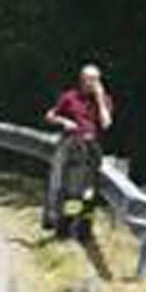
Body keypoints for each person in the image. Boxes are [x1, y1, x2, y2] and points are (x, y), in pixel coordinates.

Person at [42, 63, 114, 241]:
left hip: (91, 146)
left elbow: (106, 124)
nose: (89, 83)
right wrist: (63, 122)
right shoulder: (70, 97)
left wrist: (99, 98)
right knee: (67, 187)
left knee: (89, 190)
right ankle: (62, 227)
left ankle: (84, 229)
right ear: (80, 79)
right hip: (71, 143)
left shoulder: (104, 99)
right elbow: (50, 115)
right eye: (86, 79)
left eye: (93, 79)